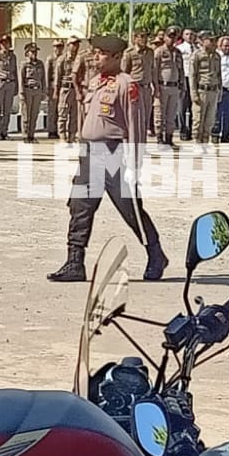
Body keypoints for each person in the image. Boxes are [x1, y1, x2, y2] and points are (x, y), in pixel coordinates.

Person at [47, 35, 167, 284]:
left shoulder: (127, 85)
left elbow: (136, 127)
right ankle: (74, 262)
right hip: (91, 153)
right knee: (79, 207)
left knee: (131, 209)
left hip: (114, 155)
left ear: (115, 57)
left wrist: (134, 165)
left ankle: (155, 254)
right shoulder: (96, 82)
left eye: (101, 53)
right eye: (95, 52)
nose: (95, 57)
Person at [153, 27, 185, 147]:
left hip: (174, 86)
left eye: (174, 37)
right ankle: (159, 138)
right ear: (165, 37)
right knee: (159, 113)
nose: (172, 39)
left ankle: (169, 138)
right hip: (162, 86)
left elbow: (181, 70)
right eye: (170, 36)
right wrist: (155, 88)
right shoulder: (159, 51)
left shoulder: (178, 53)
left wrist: (182, 85)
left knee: (171, 114)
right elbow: (155, 71)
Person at [189, 31, 221, 147]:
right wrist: (194, 93)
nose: (213, 43)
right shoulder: (197, 55)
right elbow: (192, 75)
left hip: (213, 90)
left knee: (209, 120)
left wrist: (219, 90)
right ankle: (197, 142)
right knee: (198, 119)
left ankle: (205, 141)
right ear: (202, 41)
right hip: (201, 90)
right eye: (210, 40)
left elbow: (219, 75)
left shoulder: (217, 56)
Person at [121, 29, 155, 134]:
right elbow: (124, 73)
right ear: (135, 38)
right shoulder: (129, 53)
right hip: (135, 88)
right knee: (134, 117)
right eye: (142, 36)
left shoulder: (150, 52)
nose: (144, 39)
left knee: (145, 118)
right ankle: (132, 145)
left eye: (145, 37)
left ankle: (142, 146)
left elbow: (152, 69)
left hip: (147, 88)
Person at [19, 42, 46, 144]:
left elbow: (43, 79)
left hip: (37, 90)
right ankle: (25, 135)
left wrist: (43, 91)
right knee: (26, 114)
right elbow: (21, 78)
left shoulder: (40, 64)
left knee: (34, 114)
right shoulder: (24, 65)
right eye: (32, 52)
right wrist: (22, 92)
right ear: (27, 53)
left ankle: (32, 135)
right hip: (27, 90)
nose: (34, 54)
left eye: (35, 52)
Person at [56, 37, 82, 143]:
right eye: (73, 44)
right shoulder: (62, 59)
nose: (75, 46)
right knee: (63, 112)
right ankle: (62, 135)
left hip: (75, 89)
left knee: (74, 114)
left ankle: (72, 135)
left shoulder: (79, 58)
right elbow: (58, 76)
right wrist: (56, 91)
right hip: (65, 88)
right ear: (68, 45)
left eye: (77, 44)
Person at [0, 34, 17, 140]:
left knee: (7, 109)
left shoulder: (13, 56)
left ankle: (5, 131)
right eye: (2, 43)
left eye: (6, 43)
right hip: (0, 82)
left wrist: (16, 85)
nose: (5, 45)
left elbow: (15, 71)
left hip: (10, 83)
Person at [45, 40, 65, 139]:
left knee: (60, 110)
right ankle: (51, 130)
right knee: (52, 110)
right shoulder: (50, 59)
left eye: (60, 46)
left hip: (62, 85)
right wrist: (47, 89)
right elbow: (47, 74)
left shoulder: (64, 58)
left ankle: (59, 130)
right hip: (52, 85)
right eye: (56, 46)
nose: (58, 48)